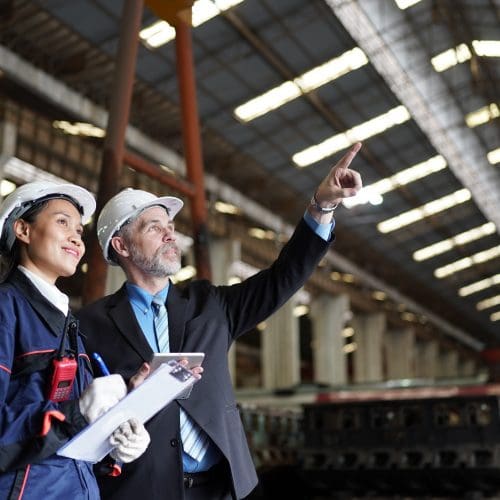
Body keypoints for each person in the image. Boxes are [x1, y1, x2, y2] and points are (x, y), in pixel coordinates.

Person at [77, 142, 363, 499]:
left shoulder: (210, 304)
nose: (170, 234)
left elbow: (282, 277)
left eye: (170, 225)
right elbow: (81, 416)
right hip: (145, 489)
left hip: (226, 486)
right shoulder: (89, 326)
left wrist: (323, 207)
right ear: (121, 246)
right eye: (154, 228)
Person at [0, 181, 151, 500]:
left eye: (80, 231)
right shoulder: (6, 308)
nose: (75, 238)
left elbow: (70, 438)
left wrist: (114, 445)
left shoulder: (69, 326)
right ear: (23, 230)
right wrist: (77, 411)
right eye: (62, 222)